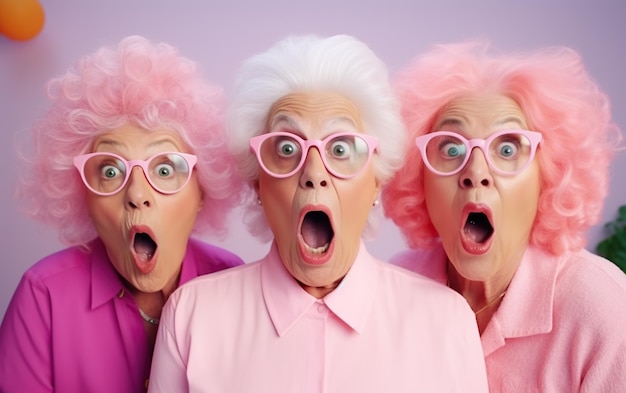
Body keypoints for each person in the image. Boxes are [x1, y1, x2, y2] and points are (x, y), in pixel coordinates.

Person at [148, 34, 489, 393]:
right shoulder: (192, 316)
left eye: (340, 148)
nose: (314, 173)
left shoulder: (445, 321)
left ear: (376, 182)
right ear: (257, 184)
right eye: (286, 148)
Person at [0, 35, 244, 393]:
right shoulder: (44, 295)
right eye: (110, 171)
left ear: (202, 190)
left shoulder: (231, 282)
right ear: (81, 191)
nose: (137, 195)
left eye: (164, 170)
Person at [382, 40, 626, 392]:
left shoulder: (604, 311)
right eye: (451, 148)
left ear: (550, 174)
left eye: (508, 148)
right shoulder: (396, 289)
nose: (476, 171)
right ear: (417, 175)